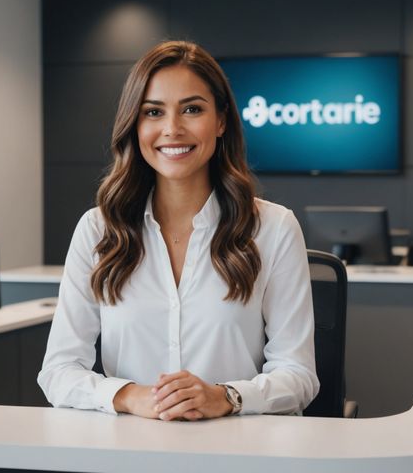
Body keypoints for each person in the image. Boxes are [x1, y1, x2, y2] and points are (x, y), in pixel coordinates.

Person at [38, 40, 319, 421]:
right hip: (130, 451)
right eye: (153, 112)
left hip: (241, 452)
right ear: (135, 125)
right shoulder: (98, 230)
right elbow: (58, 372)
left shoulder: (272, 228)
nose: (172, 128)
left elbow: (299, 374)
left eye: (192, 109)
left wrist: (227, 397)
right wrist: (127, 395)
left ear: (221, 121)